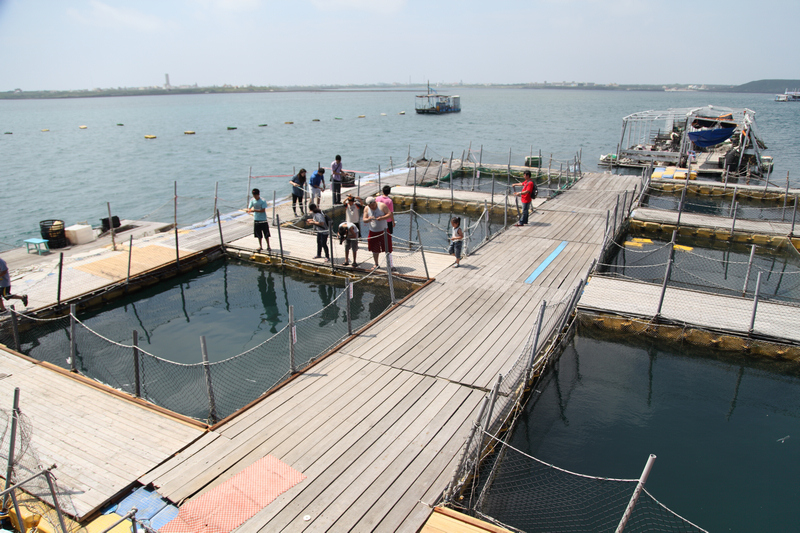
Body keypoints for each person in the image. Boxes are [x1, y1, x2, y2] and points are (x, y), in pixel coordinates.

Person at [363, 196, 392, 270]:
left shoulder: (382, 205)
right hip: (373, 231)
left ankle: (390, 264)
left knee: (387, 248)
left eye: (373, 205)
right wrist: (368, 219)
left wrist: (382, 218)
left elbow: (389, 214)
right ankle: (376, 264)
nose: (372, 207)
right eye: (370, 206)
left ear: (375, 202)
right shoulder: (366, 208)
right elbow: (364, 219)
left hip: (384, 231)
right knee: (374, 249)